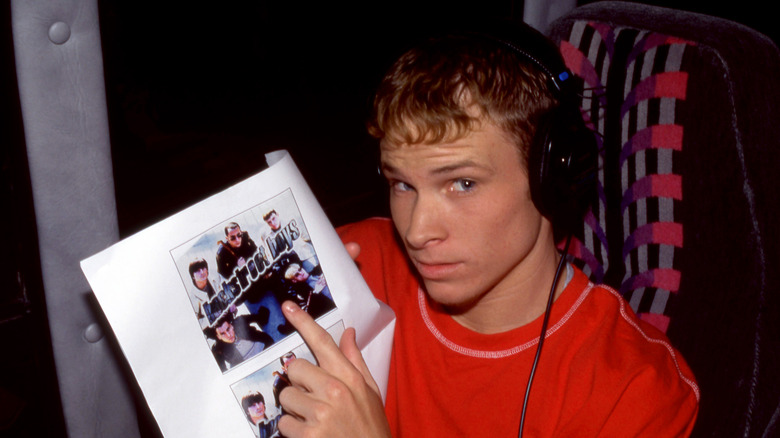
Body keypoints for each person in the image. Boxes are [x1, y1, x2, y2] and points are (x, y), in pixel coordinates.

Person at [274, 22, 699, 438]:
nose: (418, 232)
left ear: (551, 177)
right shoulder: (355, 262)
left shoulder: (635, 392)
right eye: (402, 184)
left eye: (463, 184)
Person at [207, 312, 274, 372]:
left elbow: (257, 317)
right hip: (251, 369)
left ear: (231, 325)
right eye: (222, 333)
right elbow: (223, 371)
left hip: (266, 350)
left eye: (228, 329)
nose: (228, 335)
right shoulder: (219, 350)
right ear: (218, 337)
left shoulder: (239, 322)